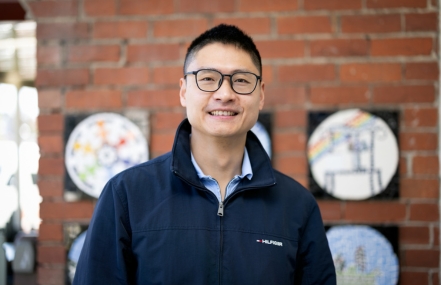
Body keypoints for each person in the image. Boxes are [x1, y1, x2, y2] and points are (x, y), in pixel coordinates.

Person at [73, 24, 336, 285]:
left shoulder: (297, 205)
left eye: (241, 80)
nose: (225, 94)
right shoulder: (127, 195)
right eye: (208, 79)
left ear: (261, 95)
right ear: (184, 91)